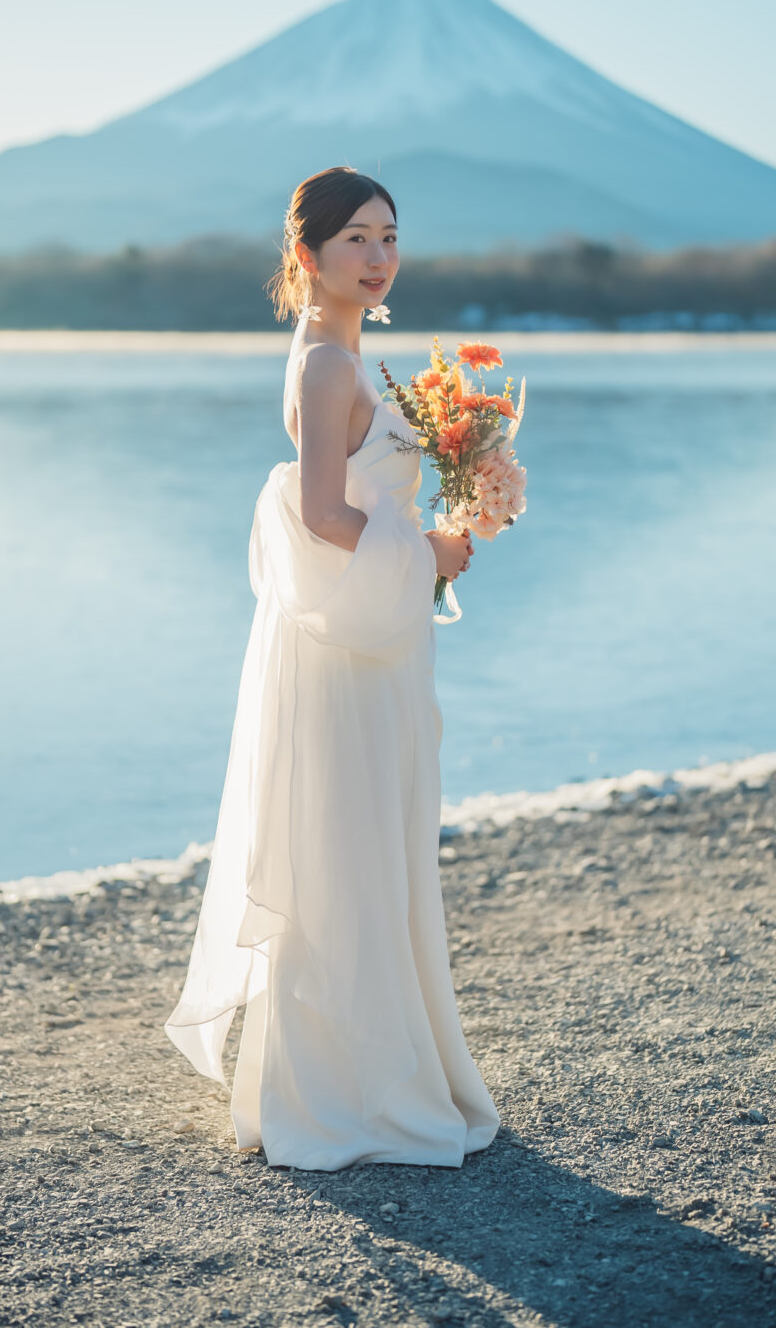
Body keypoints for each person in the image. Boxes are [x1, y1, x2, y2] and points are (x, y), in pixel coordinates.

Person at [164, 165, 501, 1170]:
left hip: (373, 639)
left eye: (391, 235)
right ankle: (339, 1095)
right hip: (343, 652)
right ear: (306, 254)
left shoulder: (351, 358)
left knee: (371, 854)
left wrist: (459, 503)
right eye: (356, 237)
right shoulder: (324, 366)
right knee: (346, 857)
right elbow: (320, 512)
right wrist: (432, 555)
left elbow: (358, 501)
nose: (379, 255)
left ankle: (376, 1072)